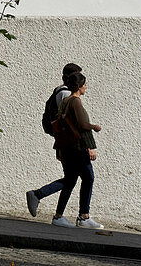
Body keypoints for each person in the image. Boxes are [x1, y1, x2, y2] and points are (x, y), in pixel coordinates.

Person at [25, 63, 82, 217]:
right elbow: (65, 123)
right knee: (76, 178)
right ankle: (38, 195)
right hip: (69, 144)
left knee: (71, 179)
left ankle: (58, 214)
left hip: (65, 143)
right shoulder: (64, 94)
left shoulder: (60, 92)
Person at [51, 71, 104, 229]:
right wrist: (95, 127)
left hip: (67, 147)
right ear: (79, 86)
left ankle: (59, 215)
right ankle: (83, 216)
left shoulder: (65, 101)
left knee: (70, 181)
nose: (86, 87)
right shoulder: (75, 101)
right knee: (88, 178)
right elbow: (82, 125)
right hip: (78, 148)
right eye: (85, 84)